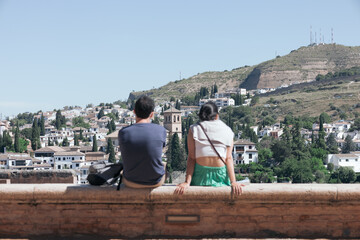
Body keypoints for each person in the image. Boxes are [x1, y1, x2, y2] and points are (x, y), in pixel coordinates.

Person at [175, 101, 244, 195]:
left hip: (200, 173)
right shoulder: (228, 130)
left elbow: (191, 157)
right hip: (221, 174)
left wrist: (187, 182)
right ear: (216, 116)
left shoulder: (194, 129)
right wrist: (233, 182)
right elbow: (228, 158)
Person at [118, 96, 166, 188]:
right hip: (155, 182)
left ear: (134, 112)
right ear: (152, 114)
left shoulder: (123, 132)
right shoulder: (161, 130)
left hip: (130, 182)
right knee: (164, 164)